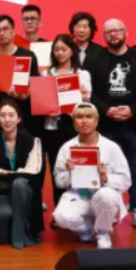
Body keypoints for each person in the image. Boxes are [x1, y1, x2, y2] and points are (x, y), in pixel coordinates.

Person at [85, 18, 136, 233]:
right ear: (104, 35)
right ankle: (108, 210)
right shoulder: (94, 59)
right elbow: (88, 92)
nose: (113, 35)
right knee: (103, 169)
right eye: (108, 32)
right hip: (105, 126)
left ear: (126, 32)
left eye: (117, 30)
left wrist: (132, 110)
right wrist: (106, 109)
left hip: (134, 125)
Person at [53, 103, 132, 249]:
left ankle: (103, 232)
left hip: (103, 196)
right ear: (74, 122)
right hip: (79, 195)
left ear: (96, 121)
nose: (84, 121)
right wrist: (69, 173)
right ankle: (87, 228)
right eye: (79, 117)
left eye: (89, 117)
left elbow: (126, 180)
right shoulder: (67, 148)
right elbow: (59, 181)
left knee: (106, 195)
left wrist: (105, 177)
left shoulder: (111, 147)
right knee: (60, 217)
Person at [0, 98, 45, 248]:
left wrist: (2, 172)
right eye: (2, 115)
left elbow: (33, 172)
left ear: (19, 119)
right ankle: (12, 229)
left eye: (11, 115)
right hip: (3, 193)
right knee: (3, 223)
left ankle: (21, 234)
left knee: (19, 184)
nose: (7, 120)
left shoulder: (33, 141)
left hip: (26, 193)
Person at [40, 34, 90, 209]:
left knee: (76, 168)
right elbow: (40, 101)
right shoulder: (46, 74)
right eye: (56, 50)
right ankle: (59, 209)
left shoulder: (81, 74)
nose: (60, 53)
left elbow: (87, 105)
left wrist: (84, 97)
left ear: (72, 51)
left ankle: (78, 208)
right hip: (50, 127)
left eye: (63, 49)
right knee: (57, 169)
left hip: (72, 128)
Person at [0, 14, 39, 138]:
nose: (2, 33)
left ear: (13, 32)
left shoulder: (28, 55)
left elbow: (36, 86)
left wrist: (25, 95)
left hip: (21, 116)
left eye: (5, 29)